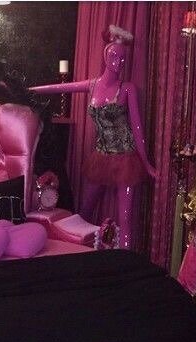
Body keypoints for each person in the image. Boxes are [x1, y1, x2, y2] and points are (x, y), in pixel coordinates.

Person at [29, 25, 156, 249]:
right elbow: (60, 87)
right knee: (84, 212)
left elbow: (137, 128)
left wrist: (146, 164)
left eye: (123, 59)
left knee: (125, 218)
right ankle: (78, 253)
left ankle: (125, 261)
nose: (119, 62)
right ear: (105, 56)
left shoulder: (127, 89)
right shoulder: (92, 85)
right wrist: (29, 90)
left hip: (126, 157)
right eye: (114, 56)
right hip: (101, 157)